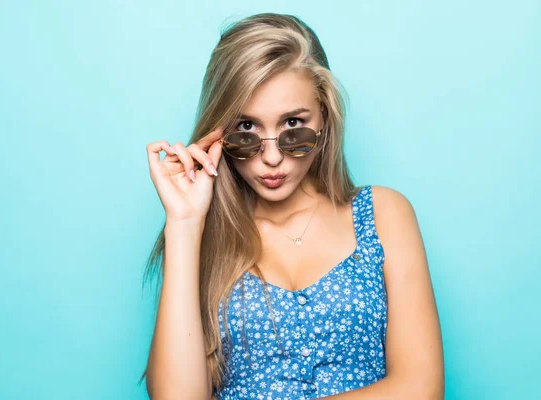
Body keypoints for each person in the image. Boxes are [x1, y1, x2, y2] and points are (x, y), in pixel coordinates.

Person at [141, 12, 444, 400]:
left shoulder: (384, 214)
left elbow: (422, 389)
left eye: (292, 126)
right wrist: (184, 224)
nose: (271, 158)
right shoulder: (200, 235)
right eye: (246, 129)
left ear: (324, 117)